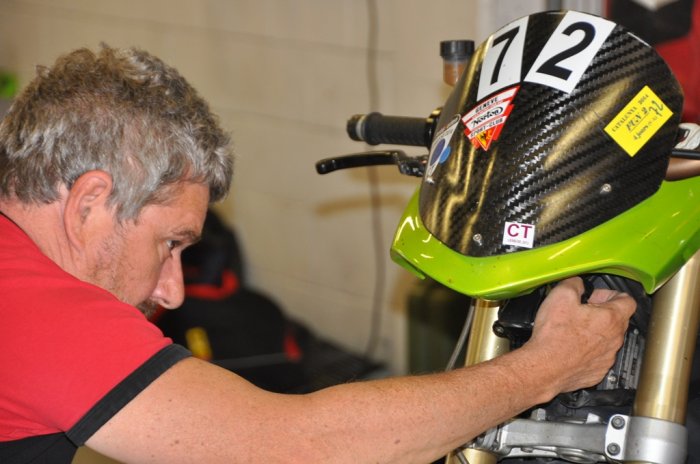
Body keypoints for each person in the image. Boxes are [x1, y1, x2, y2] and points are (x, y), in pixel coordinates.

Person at [0, 45, 635, 464]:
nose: (173, 290)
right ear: (89, 203)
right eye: (170, 244)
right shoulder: (37, 309)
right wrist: (549, 366)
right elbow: (295, 446)